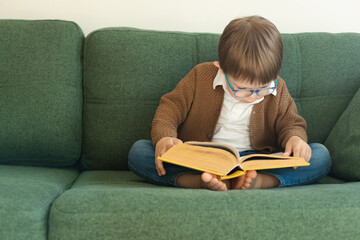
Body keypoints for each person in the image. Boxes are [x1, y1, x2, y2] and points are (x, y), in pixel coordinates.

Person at [128, 16, 331, 191]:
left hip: (256, 161)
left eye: (262, 88)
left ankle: (260, 181)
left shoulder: (279, 88)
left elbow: (291, 123)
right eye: (242, 89)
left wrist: (295, 139)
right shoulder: (200, 76)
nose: (253, 96)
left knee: (320, 156)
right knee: (139, 152)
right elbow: (170, 108)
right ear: (221, 68)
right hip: (201, 158)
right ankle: (198, 181)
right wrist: (165, 138)